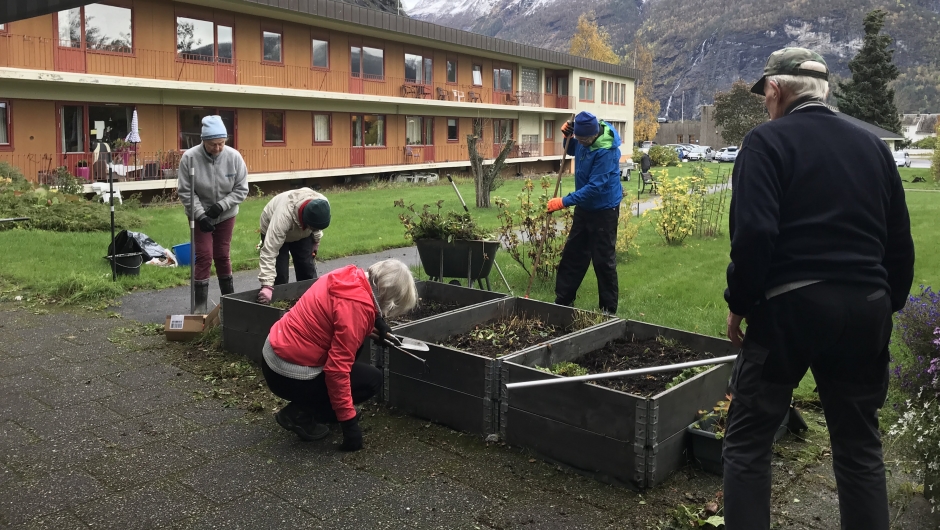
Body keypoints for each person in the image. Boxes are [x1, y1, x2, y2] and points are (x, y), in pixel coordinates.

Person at [722, 47, 915, 530]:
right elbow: (900, 244)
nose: (766, 106)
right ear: (824, 91)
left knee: (748, 445)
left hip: (789, 310)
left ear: (774, 90)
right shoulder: (873, 147)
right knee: (859, 447)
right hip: (865, 308)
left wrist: (739, 306)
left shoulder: (765, 143)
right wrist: (885, 304)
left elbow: (755, 236)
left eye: (765, 97)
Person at [260, 259, 417, 450]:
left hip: (274, 356)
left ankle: (322, 408)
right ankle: (299, 414)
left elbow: (343, 316)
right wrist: (349, 425)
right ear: (389, 299)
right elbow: (336, 371)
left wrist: (377, 322)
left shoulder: (349, 275)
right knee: (371, 381)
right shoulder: (356, 309)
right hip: (288, 374)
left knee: (355, 350)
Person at [547, 111, 622, 314]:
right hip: (585, 208)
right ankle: (563, 300)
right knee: (573, 255)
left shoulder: (606, 150)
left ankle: (608, 311)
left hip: (605, 209)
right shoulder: (583, 140)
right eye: (578, 138)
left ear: (594, 135)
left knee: (603, 260)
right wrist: (567, 137)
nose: (581, 143)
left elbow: (594, 187)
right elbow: (571, 150)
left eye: (583, 140)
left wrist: (564, 201)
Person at [177, 115, 248, 313]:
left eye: (221, 143)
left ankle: (229, 302)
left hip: (225, 214)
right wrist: (201, 215)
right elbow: (185, 191)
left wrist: (221, 206)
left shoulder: (234, 157)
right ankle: (199, 308)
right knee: (205, 255)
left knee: (222, 255)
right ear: (203, 141)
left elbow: (241, 189)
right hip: (199, 214)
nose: (217, 148)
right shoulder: (189, 158)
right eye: (212, 144)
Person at [256, 188, 331, 305]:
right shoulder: (283, 217)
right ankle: (278, 310)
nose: (315, 230)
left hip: (302, 231)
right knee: (280, 275)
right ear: (306, 221)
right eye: (313, 227)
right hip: (274, 225)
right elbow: (269, 252)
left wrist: (316, 241)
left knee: (306, 269)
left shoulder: (321, 203)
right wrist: (267, 285)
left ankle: (310, 305)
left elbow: (317, 226)